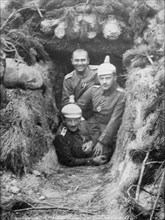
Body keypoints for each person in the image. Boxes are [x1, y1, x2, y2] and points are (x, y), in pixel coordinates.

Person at [77, 55, 126, 161]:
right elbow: (78, 107)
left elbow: (114, 121)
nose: (104, 82)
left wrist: (101, 142)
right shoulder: (93, 90)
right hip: (92, 126)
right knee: (78, 147)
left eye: (108, 78)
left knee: (101, 154)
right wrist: (80, 119)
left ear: (114, 77)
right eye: (101, 78)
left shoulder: (121, 95)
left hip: (107, 129)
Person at [53, 95, 107, 167]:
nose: (73, 124)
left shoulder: (83, 123)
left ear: (80, 118)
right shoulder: (61, 136)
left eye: (76, 120)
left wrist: (91, 142)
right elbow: (68, 161)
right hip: (83, 158)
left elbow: (97, 132)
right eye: (69, 121)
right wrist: (92, 161)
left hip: (91, 152)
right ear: (63, 120)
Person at [61, 48, 99, 119]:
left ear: (88, 60)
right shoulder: (69, 79)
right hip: (79, 114)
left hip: (98, 112)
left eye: (83, 60)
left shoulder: (97, 72)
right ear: (72, 61)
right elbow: (65, 103)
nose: (80, 63)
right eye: (76, 60)